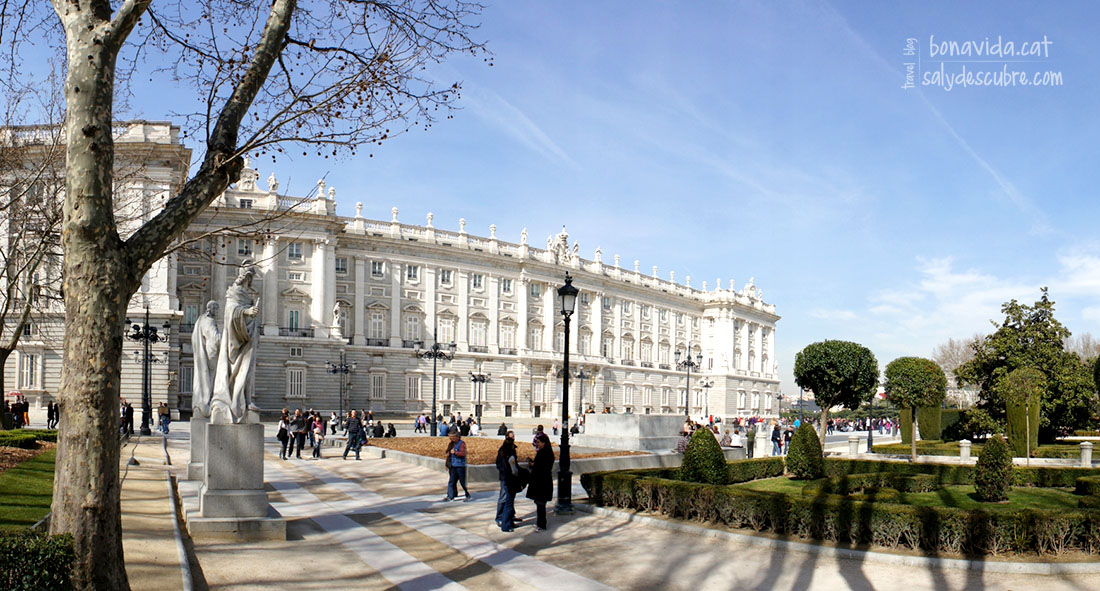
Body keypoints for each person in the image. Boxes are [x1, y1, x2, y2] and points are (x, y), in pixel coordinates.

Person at [527, 432, 554, 531]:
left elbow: (542, 467)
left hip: (542, 482)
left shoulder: (545, 453)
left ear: (544, 443)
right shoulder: (544, 452)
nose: (537, 444)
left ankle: (542, 525)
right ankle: (540, 523)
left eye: (538, 442)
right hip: (542, 481)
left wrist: (534, 466)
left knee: (541, 504)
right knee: (539, 504)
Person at [495, 433, 519, 532]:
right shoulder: (504, 450)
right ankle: (500, 517)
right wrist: (505, 471)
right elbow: (499, 463)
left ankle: (510, 517)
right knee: (504, 498)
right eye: (511, 436)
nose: (513, 438)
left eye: (513, 436)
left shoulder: (512, 449)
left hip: (508, 477)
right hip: (506, 478)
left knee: (509, 499)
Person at [443, 432, 471, 502]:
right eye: (450, 437)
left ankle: (467, 494)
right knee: (452, 481)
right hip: (453, 466)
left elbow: (463, 453)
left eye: (452, 437)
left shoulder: (462, 444)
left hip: (460, 466)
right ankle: (450, 496)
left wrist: (455, 453)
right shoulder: (451, 444)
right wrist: (447, 464)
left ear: (457, 437)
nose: (451, 438)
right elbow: (448, 454)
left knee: (462, 482)